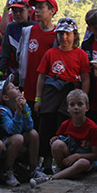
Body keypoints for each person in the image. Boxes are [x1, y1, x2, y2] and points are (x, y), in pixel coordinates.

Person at [35, 17, 91, 174]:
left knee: (65, 125)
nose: (64, 37)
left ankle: (63, 160)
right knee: (46, 124)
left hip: (70, 92)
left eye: (67, 34)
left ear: (75, 35)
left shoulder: (80, 54)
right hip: (51, 91)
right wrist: (38, 99)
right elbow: (41, 76)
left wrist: (83, 98)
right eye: (60, 34)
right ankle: (46, 162)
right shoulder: (50, 53)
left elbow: (86, 78)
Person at [30, 89, 97, 187]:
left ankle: (52, 178)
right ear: (68, 108)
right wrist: (54, 140)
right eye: (72, 105)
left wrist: (78, 156)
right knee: (56, 144)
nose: (76, 108)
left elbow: (96, 155)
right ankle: (62, 171)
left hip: (85, 161)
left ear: (87, 107)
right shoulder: (65, 125)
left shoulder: (93, 128)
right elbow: (59, 140)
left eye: (80, 104)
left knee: (82, 163)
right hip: (69, 158)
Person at [0, 78, 40, 185]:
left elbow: (29, 127)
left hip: (19, 143)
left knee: (33, 134)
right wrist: (18, 113)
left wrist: (24, 110)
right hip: (5, 145)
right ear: (5, 97)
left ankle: (33, 169)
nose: (17, 87)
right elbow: (13, 130)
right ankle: (7, 171)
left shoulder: (23, 105)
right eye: (12, 87)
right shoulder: (2, 111)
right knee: (18, 138)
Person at [17, 0, 58, 109]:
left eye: (41, 7)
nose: (37, 11)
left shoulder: (57, 35)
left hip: (49, 88)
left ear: (52, 11)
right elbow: (19, 55)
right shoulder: (28, 31)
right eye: (36, 8)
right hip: (29, 86)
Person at [0, 0, 35, 81]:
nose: (17, 14)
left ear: (29, 11)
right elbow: (5, 54)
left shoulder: (35, 28)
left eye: (21, 11)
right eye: (14, 11)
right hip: (15, 73)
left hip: (33, 73)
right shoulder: (10, 28)